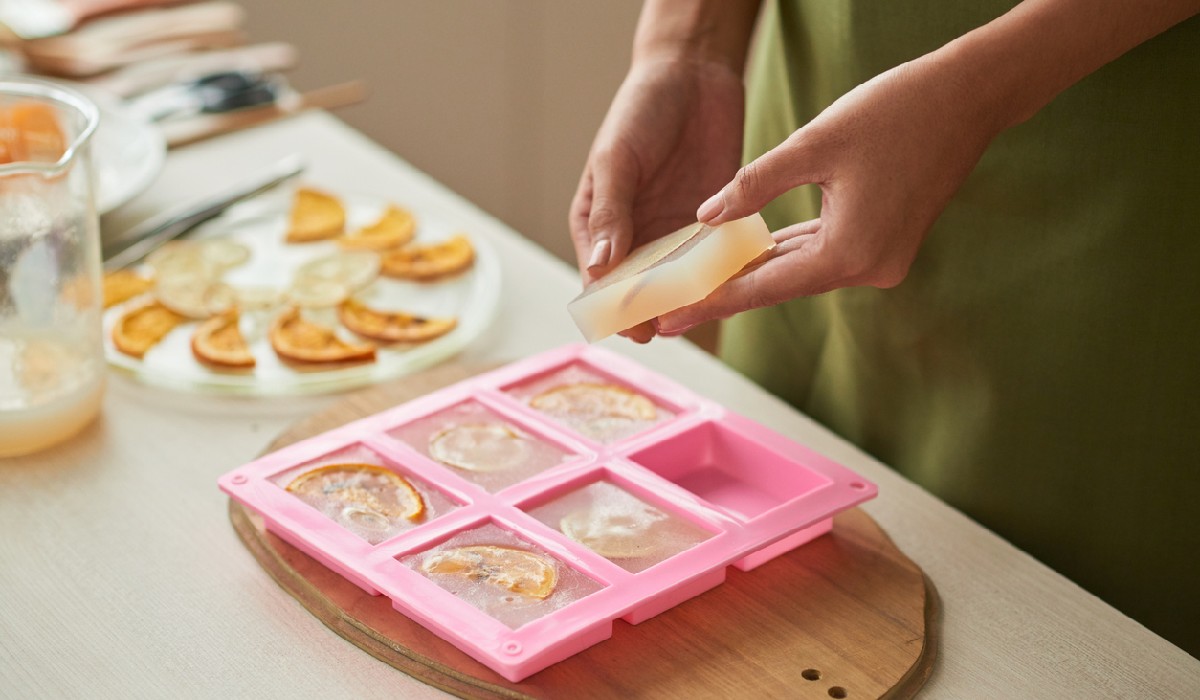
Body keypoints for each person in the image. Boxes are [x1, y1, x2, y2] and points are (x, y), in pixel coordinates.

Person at [569, 0, 1200, 656]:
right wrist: (689, 46)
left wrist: (976, 90)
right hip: (817, 123)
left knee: (1035, 639)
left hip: (1110, 162)